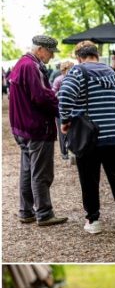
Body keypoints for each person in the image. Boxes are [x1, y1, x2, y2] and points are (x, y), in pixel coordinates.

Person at [59, 41, 115, 234]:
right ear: (96, 54)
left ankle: (93, 220)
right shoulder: (111, 72)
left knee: (89, 179)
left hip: (89, 136)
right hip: (113, 134)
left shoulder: (78, 72)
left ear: (79, 57)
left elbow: (64, 97)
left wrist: (65, 120)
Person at [8, 35, 67, 226]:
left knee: (27, 170)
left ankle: (26, 212)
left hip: (22, 127)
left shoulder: (21, 64)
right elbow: (41, 96)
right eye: (50, 52)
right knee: (41, 172)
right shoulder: (31, 66)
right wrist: (59, 105)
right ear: (40, 49)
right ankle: (44, 213)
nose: (51, 56)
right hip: (36, 127)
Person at [51, 60, 74, 162]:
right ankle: (64, 152)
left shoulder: (73, 79)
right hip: (60, 108)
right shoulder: (59, 79)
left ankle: (70, 151)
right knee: (62, 132)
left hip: (72, 108)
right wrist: (61, 93)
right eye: (69, 68)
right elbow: (53, 94)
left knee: (71, 130)